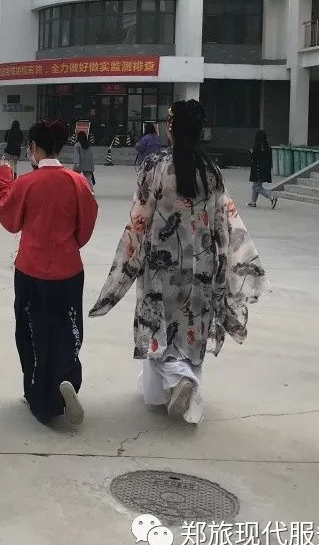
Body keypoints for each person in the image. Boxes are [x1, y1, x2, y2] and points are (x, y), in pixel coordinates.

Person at [90, 100, 266, 424]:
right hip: (200, 266)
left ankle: (177, 378)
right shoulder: (211, 172)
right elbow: (223, 225)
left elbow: (139, 220)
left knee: (159, 327)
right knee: (191, 329)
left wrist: (127, 265)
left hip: (161, 266)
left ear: (171, 129)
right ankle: (185, 390)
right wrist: (225, 266)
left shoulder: (155, 167)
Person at [0, 120, 98, 426]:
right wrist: (70, 245)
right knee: (66, 327)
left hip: (32, 269)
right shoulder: (78, 182)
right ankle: (66, 378)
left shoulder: (26, 183)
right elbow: (86, 225)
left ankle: (42, 399)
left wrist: (3, 174)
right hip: (68, 268)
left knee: (31, 332)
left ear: (34, 148)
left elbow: (9, 216)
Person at [248, 130, 278, 209]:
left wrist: (251, 152)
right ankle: (253, 202)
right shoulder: (267, 146)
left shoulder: (257, 146)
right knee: (256, 185)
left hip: (258, 170)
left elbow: (254, 157)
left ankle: (271, 197)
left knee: (256, 187)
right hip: (264, 170)